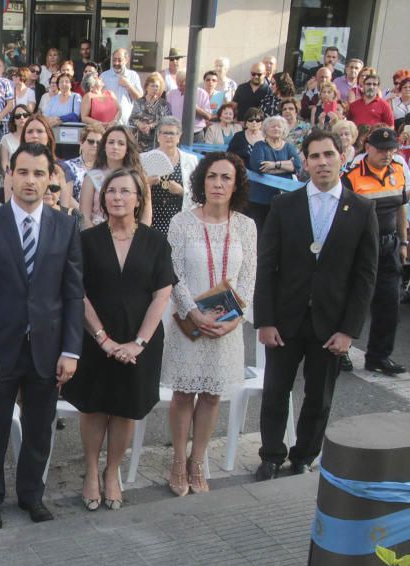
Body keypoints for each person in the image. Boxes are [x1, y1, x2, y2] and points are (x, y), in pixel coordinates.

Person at [0, 142, 84, 530]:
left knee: (39, 426)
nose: (30, 180)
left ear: (50, 179)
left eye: (39, 173)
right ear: (10, 175)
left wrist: (71, 350)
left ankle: (32, 494)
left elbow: (72, 293)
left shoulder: (65, 226)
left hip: (47, 349)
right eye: (23, 172)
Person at [254, 129, 379, 480]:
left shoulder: (362, 209)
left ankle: (304, 455)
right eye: (314, 156)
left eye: (329, 155)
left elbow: (364, 277)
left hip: (331, 323)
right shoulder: (284, 205)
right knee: (276, 391)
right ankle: (271, 456)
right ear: (304, 162)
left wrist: (349, 330)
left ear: (341, 157)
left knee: (319, 397)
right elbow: (267, 267)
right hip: (284, 319)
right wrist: (265, 320)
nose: (322, 162)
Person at [62, 168, 174, 510]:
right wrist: (102, 338)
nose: (117, 198)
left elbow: (162, 294)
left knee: (125, 409)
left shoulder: (155, 241)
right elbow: (77, 293)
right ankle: (92, 472)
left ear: (138, 199)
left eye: (125, 192)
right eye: (111, 192)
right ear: (102, 197)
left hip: (139, 342)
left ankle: (113, 471)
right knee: (94, 406)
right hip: (94, 340)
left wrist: (137, 343)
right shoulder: (86, 239)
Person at [162, 152, 256, 496]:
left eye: (226, 178)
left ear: (236, 185)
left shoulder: (246, 226)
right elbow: (174, 274)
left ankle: (198, 460)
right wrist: (193, 312)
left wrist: (234, 321)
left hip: (226, 328)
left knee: (213, 396)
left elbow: (248, 280)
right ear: (201, 180)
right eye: (212, 176)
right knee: (184, 394)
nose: (218, 183)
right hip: (189, 324)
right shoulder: (182, 223)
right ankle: (177, 459)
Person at [341, 127, 408, 376]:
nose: (387, 154)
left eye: (391, 149)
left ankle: (379, 356)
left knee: (389, 304)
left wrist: (403, 242)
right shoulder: (352, 176)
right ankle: (341, 352)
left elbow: (400, 209)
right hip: (360, 247)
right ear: (368, 148)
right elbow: (343, 217)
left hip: (389, 245)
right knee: (352, 300)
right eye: (381, 149)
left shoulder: (398, 171)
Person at [80, 125, 149, 228]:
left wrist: (137, 239)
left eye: (121, 143)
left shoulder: (139, 176)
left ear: (127, 148)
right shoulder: (91, 177)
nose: (115, 147)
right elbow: (84, 216)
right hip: (96, 236)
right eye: (111, 142)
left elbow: (146, 216)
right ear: (104, 146)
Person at [145, 117, 198, 236]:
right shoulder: (144, 158)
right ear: (158, 135)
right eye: (165, 133)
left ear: (179, 136)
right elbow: (133, 190)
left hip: (180, 218)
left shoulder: (191, 161)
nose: (168, 137)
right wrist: (146, 183)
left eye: (172, 133)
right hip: (151, 217)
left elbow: (199, 194)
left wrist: (181, 191)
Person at [129, 72, 171, 151]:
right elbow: (132, 119)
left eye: (157, 86)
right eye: (152, 86)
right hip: (139, 141)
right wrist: (140, 124)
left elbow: (165, 120)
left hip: (156, 142)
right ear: (146, 87)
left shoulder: (163, 104)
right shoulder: (139, 102)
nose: (155, 88)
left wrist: (151, 126)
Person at [63, 121, 104, 202]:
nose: (95, 145)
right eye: (91, 141)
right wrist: (82, 213)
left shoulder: (106, 168)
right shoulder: (68, 166)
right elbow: (66, 197)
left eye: (99, 143)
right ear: (81, 143)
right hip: (75, 213)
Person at [99, 49, 141, 125]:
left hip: (126, 123)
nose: (116, 63)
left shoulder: (133, 76)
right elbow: (97, 97)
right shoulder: (104, 76)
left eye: (119, 60)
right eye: (114, 60)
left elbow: (140, 99)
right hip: (108, 122)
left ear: (126, 59)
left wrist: (128, 85)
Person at [168, 71, 211, 143]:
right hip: (176, 133)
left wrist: (194, 106)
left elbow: (208, 116)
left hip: (196, 134)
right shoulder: (172, 94)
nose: (180, 87)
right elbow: (168, 114)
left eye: (182, 85)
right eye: (178, 84)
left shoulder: (202, 93)